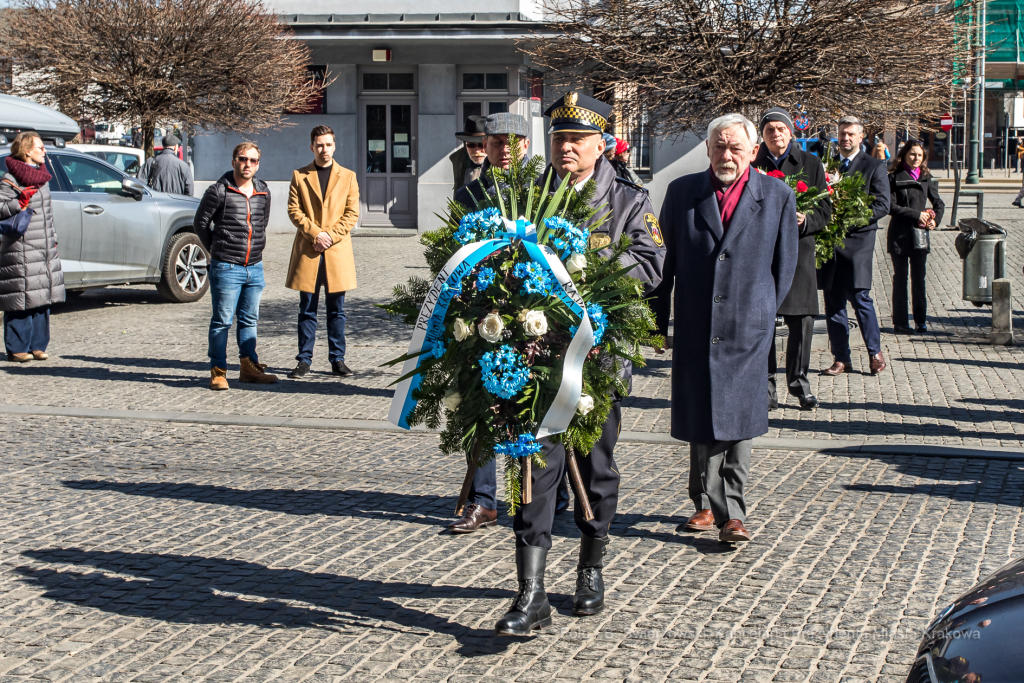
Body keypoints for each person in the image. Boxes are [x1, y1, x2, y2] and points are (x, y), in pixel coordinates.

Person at [493, 92, 665, 637]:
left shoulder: (628, 200)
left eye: (576, 140)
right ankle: (532, 591)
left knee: (595, 464)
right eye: (559, 138)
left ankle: (590, 567)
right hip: (535, 355)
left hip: (598, 356)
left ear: (600, 144)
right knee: (533, 468)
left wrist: (582, 265)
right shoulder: (529, 194)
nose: (565, 148)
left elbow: (652, 264)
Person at [657, 113, 798, 544]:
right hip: (698, 321)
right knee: (703, 411)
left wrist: (765, 311)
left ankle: (731, 511)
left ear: (754, 152)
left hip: (748, 325)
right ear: (707, 148)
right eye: (719, 146)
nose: (727, 155)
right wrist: (655, 323)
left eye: (736, 147)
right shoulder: (682, 193)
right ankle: (702, 503)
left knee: (739, 416)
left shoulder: (776, 195)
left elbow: (785, 264)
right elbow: (664, 264)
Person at [752, 107, 832, 412]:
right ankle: (766, 387)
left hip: (798, 255)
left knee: (803, 322)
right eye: (770, 130)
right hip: (762, 256)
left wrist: (806, 219)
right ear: (763, 135)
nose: (776, 134)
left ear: (790, 132)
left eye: (780, 129)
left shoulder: (811, 164)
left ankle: (799, 383)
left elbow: (825, 210)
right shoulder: (753, 163)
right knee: (764, 325)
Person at [193, 142, 276, 390]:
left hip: (255, 267)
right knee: (222, 321)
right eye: (242, 159)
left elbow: (262, 223)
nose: (247, 164)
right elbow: (200, 224)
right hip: (226, 267)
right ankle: (218, 371)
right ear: (233, 162)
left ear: (258, 164)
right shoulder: (218, 191)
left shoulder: (263, 191)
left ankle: (249, 367)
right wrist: (217, 250)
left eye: (252, 160)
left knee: (250, 319)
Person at [817, 115, 891, 376]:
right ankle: (841, 358)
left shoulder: (873, 165)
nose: (846, 138)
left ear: (861, 137)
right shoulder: (827, 164)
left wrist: (851, 219)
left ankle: (875, 352)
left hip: (858, 242)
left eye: (851, 134)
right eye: (842, 133)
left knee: (860, 298)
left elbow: (883, 204)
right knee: (833, 302)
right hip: (829, 243)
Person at [285, 125, 360, 379]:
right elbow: (294, 211)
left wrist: (330, 236)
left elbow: (352, 214)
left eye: (328, 144)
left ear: (334, 146)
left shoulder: (348, 176)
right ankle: (304, 360)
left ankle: (337, 359)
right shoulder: (300, 175)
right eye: (319, 145)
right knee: (306, 309)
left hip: (336, 252)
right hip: (309, 249)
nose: (324, 149)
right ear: (312, 146)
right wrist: (316, 234)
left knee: (336, 310)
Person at [0, 132, 65, 362]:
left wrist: (54, 239)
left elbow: (48, 215)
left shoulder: (42, 178)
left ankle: (38, 344)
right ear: (27, 151)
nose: (44, 151)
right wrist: (19, 203)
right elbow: (1, 207)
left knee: (41, 296)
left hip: (44, 246)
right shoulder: (11, 179)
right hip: (20, 247)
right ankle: (17, 347)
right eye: (40, 147)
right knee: (21, 295)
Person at [887, 140, 943, 334]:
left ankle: (920, 320)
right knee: (900, 279)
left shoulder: (926, 177)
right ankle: (900, 322)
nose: (916, 158)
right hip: (899, 235)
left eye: (919, 155)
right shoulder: (893, 177)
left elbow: (939, 204)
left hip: (920, 235)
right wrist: (916, 214)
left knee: (919, 279)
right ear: (904, 155)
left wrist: (935, 221)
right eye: (912, 154)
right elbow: (890, 206)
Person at [454, 113, 531, 208]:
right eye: (497, 142)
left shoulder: (544, 189)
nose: (505, 150)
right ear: (485, 145)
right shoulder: (466, 195)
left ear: (525, 146)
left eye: (512, 143)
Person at [449, 116, 487, 193]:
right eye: (471, 145)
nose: (477, 151)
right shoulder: (459, 160)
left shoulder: (502, 163)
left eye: (481, 145)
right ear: (465, 145)